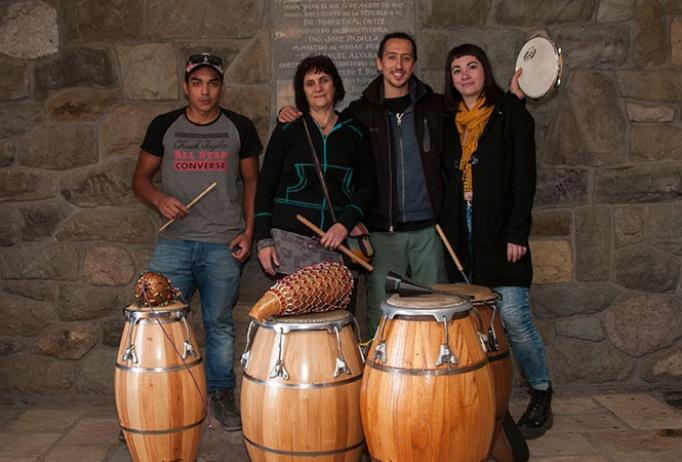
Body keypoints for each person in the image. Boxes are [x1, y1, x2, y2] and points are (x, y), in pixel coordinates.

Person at [280, 32, 448, 337]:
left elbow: (476, 105)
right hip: (382, 233)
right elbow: (351, 166)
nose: (399, 64)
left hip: (428, 231)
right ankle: (378, 385)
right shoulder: (360, 113)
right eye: (392, 57)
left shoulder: (435, 107)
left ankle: (428, 385)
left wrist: (514, 98)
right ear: (379, 63)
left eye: (406, 57)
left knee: (433, 316)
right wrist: (288, 113)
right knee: (383, 321)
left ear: (414, 64)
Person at [131, 53, 262, 431]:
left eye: (213, 83)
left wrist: (249, 232)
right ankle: (153, 398)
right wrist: (159, 200)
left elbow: (252, 182)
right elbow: (140, 179)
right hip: (174, 242)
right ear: (186, 86)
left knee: (219, 323)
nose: (205, 91)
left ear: (221, 86)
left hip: (222, 242)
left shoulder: (239, 126)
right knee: (158, 322)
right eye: (198, 83)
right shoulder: (164, 125)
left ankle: (221, 393)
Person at [438, 43, 554, 439]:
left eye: (472, 66)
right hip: (459, 229)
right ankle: (487, 396)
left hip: (499, 229)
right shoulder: (447, 120)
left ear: (485, 70)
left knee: (515, 319)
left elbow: (524, 179)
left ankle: (540, 391)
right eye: (456, 70)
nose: (465, 75)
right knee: (472, 321)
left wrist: (517, 233)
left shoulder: (510, 115)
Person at [254, 55, 374, 293]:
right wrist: (264, 241)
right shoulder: (288, 129)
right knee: (295, 323)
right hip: (290, 242)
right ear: (302, 90)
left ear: (335, 85)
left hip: (338, 242)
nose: (318, 88)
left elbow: (367, 186)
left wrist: (344, 224)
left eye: (324, 80)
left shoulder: (355, 131)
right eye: (310, 83)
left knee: (337, 322)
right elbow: (265, 185)